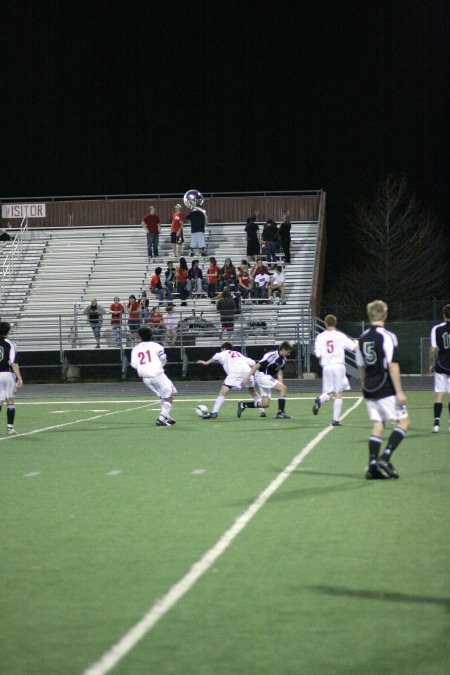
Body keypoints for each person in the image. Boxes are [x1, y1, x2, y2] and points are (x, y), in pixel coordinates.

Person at [356, 299, 410, 480]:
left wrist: (366, 385)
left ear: (369, 315)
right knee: (403, 422)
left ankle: (372, 467)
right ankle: (385, 457)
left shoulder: (362, 338)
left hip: (369, 387)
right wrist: (399, 391)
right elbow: (392, 364)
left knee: (378, 425)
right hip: (385, 386)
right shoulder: (387, 336)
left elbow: (361, 367)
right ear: (385, 315)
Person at [197, 342, 264, 418]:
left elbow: (216, 356)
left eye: (221, 349)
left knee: (223, 391)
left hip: (235, 372)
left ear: (224, 348)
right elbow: (252, 362)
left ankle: (214, 412)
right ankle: (262, 411)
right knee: (253, 391)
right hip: (247, 372)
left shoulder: (223, 353)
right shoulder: (239, 354)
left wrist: (206, 362)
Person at [312, 314, 358, 425]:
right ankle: (335, 419)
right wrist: (357, 342)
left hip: (327, 367)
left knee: (330, 392)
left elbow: (317, 354)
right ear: (335, 323)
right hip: (338, 366)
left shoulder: (320, 337)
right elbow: (354, 348)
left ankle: (320, 400)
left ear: (325, 323)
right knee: (338, 393)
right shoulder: (340, 336)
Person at [130, 326, 177, 426]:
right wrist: (160, 365)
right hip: (157, 374)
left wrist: (144, 366)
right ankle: (162, 418)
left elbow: (134, 364)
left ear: (140, 336)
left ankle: (167, 417)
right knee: (169, 394)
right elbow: (163, 358)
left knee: (162, 395)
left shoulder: (135, 349)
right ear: (151, 335)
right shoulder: (156, 346)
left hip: (145, 378)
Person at [238, 341, 294, 418]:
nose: (289, 354)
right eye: (288, 352)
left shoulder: (284, 360)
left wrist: (281, 384)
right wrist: (247, 378)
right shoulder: (272, 356)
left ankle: (243, 404)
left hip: (267, 378)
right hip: (262, 376)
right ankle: (280, 413)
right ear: (283, 349)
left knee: (265, 404)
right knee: (284, 389)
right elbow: (257, 365)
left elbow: (279, 373)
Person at [429, 303, 450, 433]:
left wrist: (431, 364)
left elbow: (432, 349)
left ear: (443, 315)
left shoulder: (437, 329)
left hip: (441, 365)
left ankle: (436, 423)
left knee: (439, 394)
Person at [0, 322, 23, 435]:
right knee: (10, 399)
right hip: (7, 374)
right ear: (8, 331)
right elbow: (14, 362)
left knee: (0, 400)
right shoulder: (11, 344)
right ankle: (10, 428)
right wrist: (19, 378)